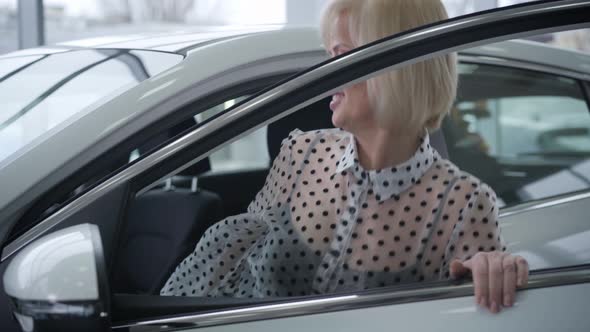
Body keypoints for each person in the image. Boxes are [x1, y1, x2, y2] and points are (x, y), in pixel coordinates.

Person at [161, 0, 529, 314]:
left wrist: (495, 271)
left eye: (340, 55)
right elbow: (221, 261)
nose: (326, 73)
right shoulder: (301, 153)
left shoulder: (464, 205)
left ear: (396, 67)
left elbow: (480, 306)